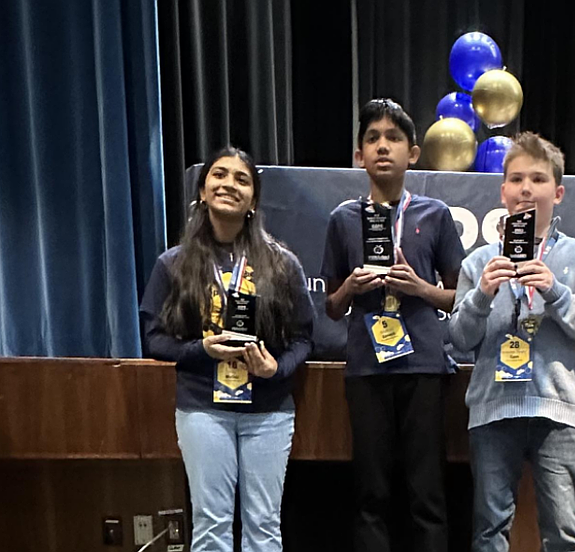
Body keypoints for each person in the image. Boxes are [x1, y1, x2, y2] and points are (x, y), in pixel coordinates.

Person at [140, 147, 314, 552]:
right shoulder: (173, 264)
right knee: (212, 524)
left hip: (268, 412)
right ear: (202, 191)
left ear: (253, 199)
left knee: (264, 526)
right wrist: (202, 349)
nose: (229, 184)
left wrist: (276, 368)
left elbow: (305, 338)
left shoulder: (282, 265)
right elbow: (154, 339)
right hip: (203, 408)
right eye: (219, 175)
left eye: (242, 179)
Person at [449, 132, 575, 552]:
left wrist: (556, 292)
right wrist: (481, 296)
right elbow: (458, 339)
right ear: (502, 190)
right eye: (517, 179)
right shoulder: (478, 262)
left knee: (562, 534)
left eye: (538, 179)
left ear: (557, 192)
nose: (526, 188)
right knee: (489, 532)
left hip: (559, 413)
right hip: (493, 411)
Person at [320, 99, 466, 552]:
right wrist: (350, 287)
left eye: (394, 138)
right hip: (366, 370)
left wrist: (421, 288)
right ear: (359, 156)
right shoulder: (342, 219)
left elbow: (460, 296)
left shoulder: (435, 214)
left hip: (423, 368)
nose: (383, 146)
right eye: (372, 138)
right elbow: (330, 306)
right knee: (370, 495)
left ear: (413, 154)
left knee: (427, 495)